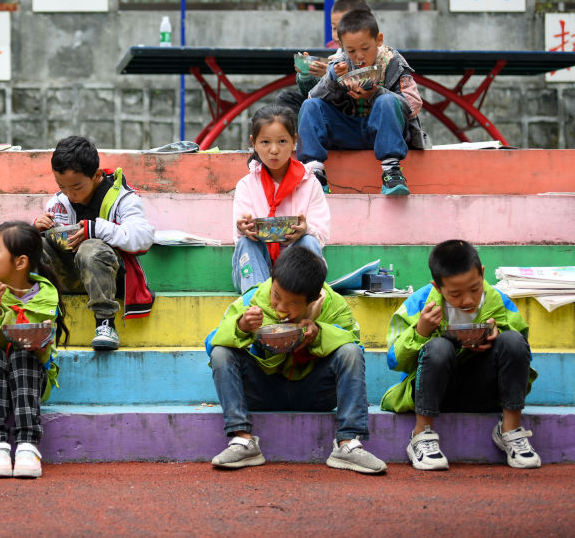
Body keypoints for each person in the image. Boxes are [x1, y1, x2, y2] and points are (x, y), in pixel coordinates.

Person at [206, 246, 386, 475]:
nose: (281, 307)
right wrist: (241, 326)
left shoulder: (333, 304)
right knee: (221, 353)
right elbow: (211, 343)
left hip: (314, 393)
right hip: (263, 390)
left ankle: (348, 442)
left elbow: (355, 345)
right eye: (276, 295)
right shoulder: (252, 300)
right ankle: (242, 440)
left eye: (293, 304)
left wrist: (320, 333)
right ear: (272, 278)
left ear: (313, 299)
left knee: (350, 352)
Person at [382, 240, 540, 470]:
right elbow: (394, 361)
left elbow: (522, 353)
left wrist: (499, 335)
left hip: (486, 392)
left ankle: (510, 428)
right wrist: (421, 331)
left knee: (513, 340)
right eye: (455, 294)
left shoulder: (499, 301)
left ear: (482, 273)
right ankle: (421, 434)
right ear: (437, 287)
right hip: (436, 393)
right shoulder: (419, 304)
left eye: (475, 289)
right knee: (439, 347)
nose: (468, 300)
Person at [0, 221, 70, 478]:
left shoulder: (45, 296)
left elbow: (47, 355)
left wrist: (40, 345)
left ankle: (27, 446)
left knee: (23, 356)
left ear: (20, 262)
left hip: (28, 380)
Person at [34, 136, 155, 351]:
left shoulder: (123, 198)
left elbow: (143, 237)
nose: (69, 194)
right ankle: (39, 316)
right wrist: (37, 229)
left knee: (90, 248)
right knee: (33, 245)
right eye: (62, 186)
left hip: (111, 277)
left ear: (97, 175)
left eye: (76, 187)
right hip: (70, 274)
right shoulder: (59, 201)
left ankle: (105, 323)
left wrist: (96, 229)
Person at [297, 9, 427, 195]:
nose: (359, 56)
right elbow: (312, 98)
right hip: (349, 130)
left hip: (385, 132)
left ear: (378, 40)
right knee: (309, 106)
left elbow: (413, 105)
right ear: (342, 46)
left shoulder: (394, 62)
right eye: (351, 51)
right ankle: (315, 172)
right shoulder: (340, 63)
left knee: (386, 101)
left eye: (365, 49)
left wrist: (376, 93)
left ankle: (391, 172)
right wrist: (332, 78)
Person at [231, 105, 330, 294]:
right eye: (265, 142)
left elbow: (321, 233)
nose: (274, 150)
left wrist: (306, 229)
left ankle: (299, 299)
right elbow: (239, 235)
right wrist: (243, 227)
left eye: (282, 141)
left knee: (309, 242)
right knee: (246, 243)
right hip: (257, 267)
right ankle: (256, 301)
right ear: (254, 143)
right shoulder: (246, 185)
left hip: (294, 271)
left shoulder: (310, 183)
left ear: (294, 141)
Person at [278, 0, 371, 117]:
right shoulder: (336, 56)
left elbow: (367, 88)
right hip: (330, 111)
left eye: (343, 28)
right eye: (334, 28)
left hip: (356, 113)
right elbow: (312, 94)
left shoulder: (372, 54)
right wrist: (306, 74)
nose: (337, 35)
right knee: (288, 98)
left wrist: (332, 75)